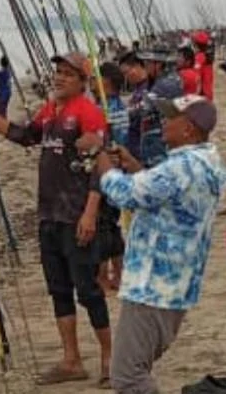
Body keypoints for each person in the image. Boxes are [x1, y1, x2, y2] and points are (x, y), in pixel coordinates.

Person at [0, 52, 112, 385]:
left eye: (67, 74)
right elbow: (22, 135)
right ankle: (71, 360)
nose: (59, 78)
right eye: (57, 72)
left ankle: (108, 358)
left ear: (82, 82)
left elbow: (99, 168)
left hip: (77, 215)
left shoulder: (88, 114)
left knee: (88, 290)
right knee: (59, 290)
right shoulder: (50, 111)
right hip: (49, 215)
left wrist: (90, 213)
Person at [95, 95, 226, 394]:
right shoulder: (209, 162)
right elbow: (168, 197)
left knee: (127, 376)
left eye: (172, 117)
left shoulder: (180, 167)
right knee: (136, 367)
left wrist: (100, 159)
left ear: (189, 129)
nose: (164, 122)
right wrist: (134, 167)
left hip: (151, 288)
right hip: (176, 288)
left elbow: (125, 194)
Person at [94, 61, 129, 293]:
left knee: (103, 226)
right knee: (111, 225)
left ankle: (106, 275)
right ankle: (117, 273)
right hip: (116, 171)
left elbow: (109, 143)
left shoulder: (109, 110)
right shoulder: (117, 107)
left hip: (108, 172)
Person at [118, 49, 185, 168]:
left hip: (159, 145)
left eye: (147, 63)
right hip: (154, 142)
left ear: (158, 64)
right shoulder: (160, 81)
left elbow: (144, 106)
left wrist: (119, 115)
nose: (145, 66)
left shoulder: (167, 84)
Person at [193, 31, 215, 101]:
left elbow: (197, 78)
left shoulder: (199, 57)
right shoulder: (207, 56)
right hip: (208, 92)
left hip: (202, 95)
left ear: (196, 44)